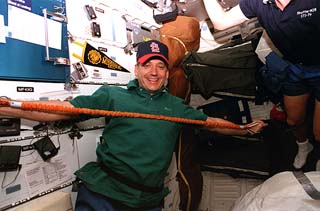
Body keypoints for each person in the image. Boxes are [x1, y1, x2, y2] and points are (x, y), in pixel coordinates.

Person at [0, 40, 266, 210]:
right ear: (136, 70)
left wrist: (241, 128)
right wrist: (10, 105)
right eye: (147, 65)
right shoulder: (113, 96)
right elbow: (62, 111)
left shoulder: (176, 107)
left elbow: (210, 123)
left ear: (165, 74)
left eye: (160, 66)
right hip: (103, 193)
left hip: (147, 201)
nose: (153, 71)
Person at [203, 0, 320, 169]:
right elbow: (221, 22)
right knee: (293, 120)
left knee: (319, 133)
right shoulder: (259, 3)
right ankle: (304, 146)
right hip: (294, 68)